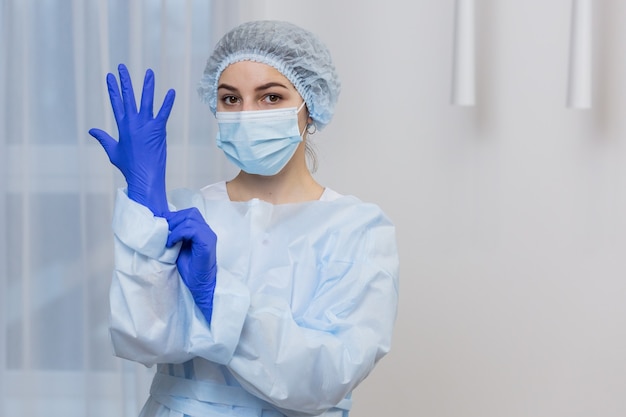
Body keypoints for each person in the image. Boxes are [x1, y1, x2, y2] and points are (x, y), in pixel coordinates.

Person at [89, 20, 399, 417]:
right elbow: (141, 340)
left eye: (270, 98)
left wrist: (213, 292)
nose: (247, 114)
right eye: (230, 99)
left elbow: (326, 377)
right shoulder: (188, 213)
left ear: (312, 107)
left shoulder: (356, 229)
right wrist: (144, 206)